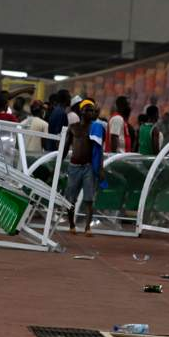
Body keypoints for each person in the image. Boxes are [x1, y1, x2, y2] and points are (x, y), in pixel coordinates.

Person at [62, 100, 102, 236]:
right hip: (74, 166)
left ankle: (87, 228)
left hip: (88, 167)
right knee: (70, 198)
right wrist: (58, 162)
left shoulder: (95, 128)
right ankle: (72, 225)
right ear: (81, 111)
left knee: (89, 198)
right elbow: (66, 147)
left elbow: (98, 150)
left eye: (92, 110)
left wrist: (100, 168)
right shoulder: (73, 127)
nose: (90, 112)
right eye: (87, 110)